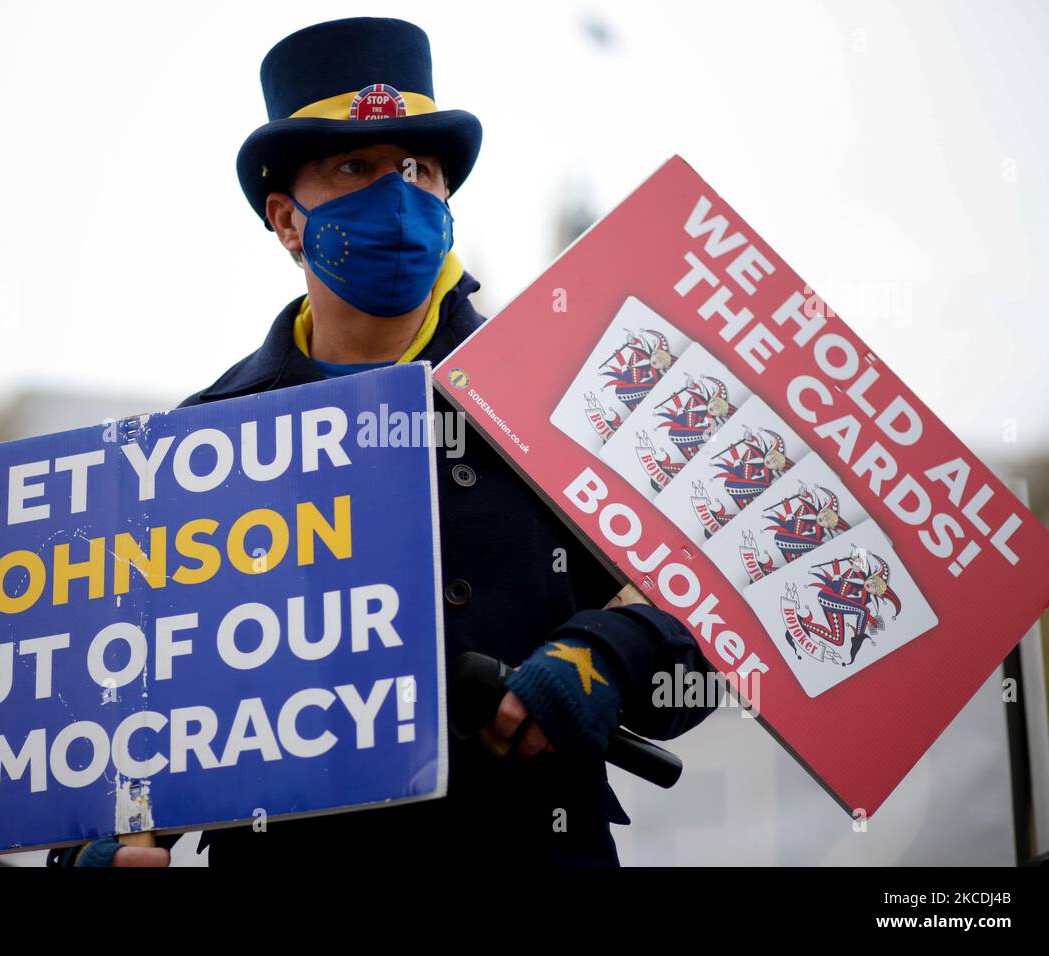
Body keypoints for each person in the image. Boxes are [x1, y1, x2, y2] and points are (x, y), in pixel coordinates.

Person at [49, 15, 716, 869]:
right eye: (355, 168)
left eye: (420, 169)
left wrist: (612, 657)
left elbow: (716, 610)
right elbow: (132, 711)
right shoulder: (198, 441)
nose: (398, 195)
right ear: (288, 221)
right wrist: (96, 841)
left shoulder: (565, 388)